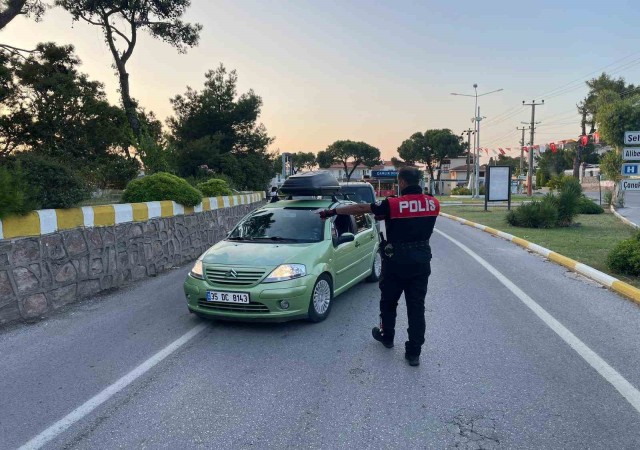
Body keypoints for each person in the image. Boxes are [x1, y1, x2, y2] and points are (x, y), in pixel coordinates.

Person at [317, 167, 439, 366]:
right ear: (419, 180)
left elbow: (360, 209)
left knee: (389, 302)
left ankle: (387, 337)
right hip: (421, 262)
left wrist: (332, 211)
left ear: (401, 182)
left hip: (396, 262)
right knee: (417, 308)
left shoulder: (393, 204)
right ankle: (414, 353)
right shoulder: (433, 203)